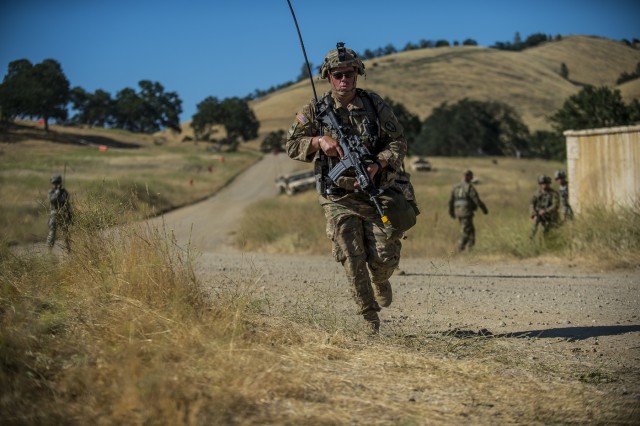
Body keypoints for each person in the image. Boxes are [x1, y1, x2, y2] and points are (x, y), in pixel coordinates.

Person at [285, 42, 416, 333]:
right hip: (337, 195)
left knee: (384, 257)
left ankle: (381, 280)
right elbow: (291, 144)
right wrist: (318, 142)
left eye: (349, 73)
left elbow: (399, 142)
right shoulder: (314, 110)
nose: (343, 79)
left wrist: (378, 164)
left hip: (374, 190)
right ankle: (370, 318)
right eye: (337, 74)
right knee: (351, 255)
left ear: (357, 74)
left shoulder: (374, 105)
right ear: (328, 77)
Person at [448, 169, 488, 252]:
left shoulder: (455, 187)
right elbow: (476, 200)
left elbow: (450, 201)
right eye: (471, 177)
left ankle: (470, 250)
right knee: (465, 232)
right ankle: (458, 249)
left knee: (471, 231)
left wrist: (451, 212)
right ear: (468, 176)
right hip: (466, 212)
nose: (471, 178)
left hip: (458, 212)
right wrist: (484, 209)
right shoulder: (469, 187)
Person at [47, 174, 73, 252]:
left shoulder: (64, 192)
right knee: (52, 232)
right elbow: (52, 200)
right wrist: (57, 192)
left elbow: (67, 203)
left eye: (57, 183)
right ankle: (49, 250)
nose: (56, 185)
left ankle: (68, 249)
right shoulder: (51, 192)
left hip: (64, 214)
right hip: (54, 214)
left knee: (66, 232)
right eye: (55, 183)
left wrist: (70, 214)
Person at [529, 175, 560, 240]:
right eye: (542, 183)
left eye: (546, 183)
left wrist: (545, 211)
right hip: (540, 214)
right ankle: (531, 239)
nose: (544, 185)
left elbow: (555, 205)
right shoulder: (537, 193)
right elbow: (532, 204)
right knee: (533, 228)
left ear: (549, 184)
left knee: (547, 233)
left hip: (551, 216)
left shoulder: (554, 194)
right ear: (540, 184)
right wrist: (534, 214)